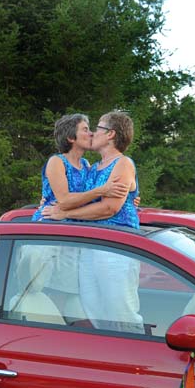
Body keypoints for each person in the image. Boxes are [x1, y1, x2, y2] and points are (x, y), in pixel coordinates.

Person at [42, 111, 143, 333]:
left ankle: (134, 359)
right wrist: (51, 202)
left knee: (120, 310)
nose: (94, 132)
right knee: (94, 308)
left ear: (111, 135)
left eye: (98, 128)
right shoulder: (92, 168)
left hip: (117, 246)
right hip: (91, 244)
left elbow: (110, 207)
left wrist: (66, 214)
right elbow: (71, 196)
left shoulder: (123, 163)